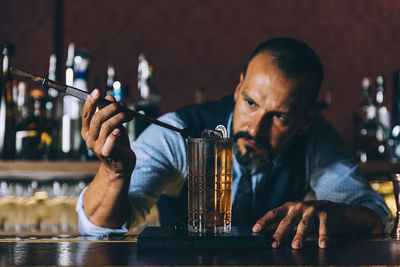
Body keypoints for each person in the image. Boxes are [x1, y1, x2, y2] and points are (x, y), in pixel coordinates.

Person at [76, 37, 392, 249]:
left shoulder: (316, 138)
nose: (256, 128)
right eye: (250, 103)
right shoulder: (180, 131)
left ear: (305, 120)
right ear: (238, 86)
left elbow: (376, 215)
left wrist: (333, 213)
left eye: (280, 117)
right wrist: (115, 173)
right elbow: (98, 230)